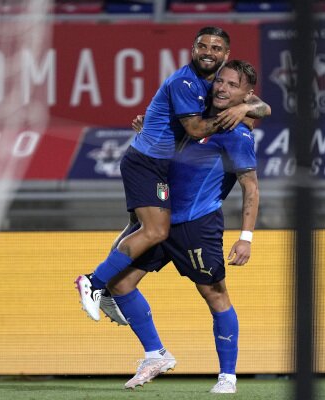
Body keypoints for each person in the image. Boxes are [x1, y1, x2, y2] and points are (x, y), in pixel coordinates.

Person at [74, 26, 270, 322]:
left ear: (226, 54)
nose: (208, 53)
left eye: (216, 49)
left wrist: (242, 108)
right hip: (147, 163)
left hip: (162, 167)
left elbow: (263, 108)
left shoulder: (214, 85)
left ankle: (139, 330)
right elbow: (195, 129)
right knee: (155, 231)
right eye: (203, 46)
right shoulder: (186, 82)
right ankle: (94, 282)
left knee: (142, 229)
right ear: (192, 49)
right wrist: (235, 113)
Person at [106, 60, 261, 394]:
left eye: (233, 85)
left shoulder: (238, 134)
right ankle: (155, 354)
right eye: (220, 80)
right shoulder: (197, 119)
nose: (222, 87)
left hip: (196, 225)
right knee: (119, 284)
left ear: (248, 94)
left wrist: (245, 238)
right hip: (158, 220)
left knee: (214, 294)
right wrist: (148, 129)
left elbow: (251, 187)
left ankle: (227, 376)